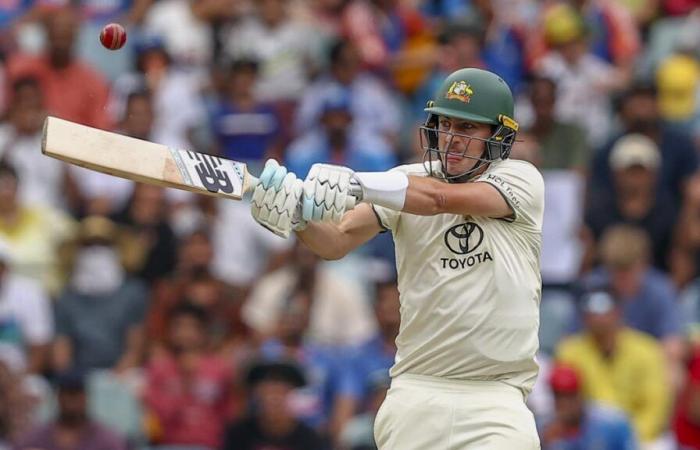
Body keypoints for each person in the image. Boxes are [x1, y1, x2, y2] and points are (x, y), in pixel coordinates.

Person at [250, 67, 544, 448]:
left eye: (468, 129)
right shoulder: (404, 180)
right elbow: (335, 241)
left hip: (496, 401)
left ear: (498, 137)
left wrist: (359, 183)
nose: (452, 139)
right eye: (446, 124)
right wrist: (296, 216)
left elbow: (438, 199)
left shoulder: (520, 179)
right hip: (417, 394)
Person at [539, 363, 637, 450]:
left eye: (569, 395)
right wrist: (544, 444)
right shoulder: (546, 430)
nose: (564, 404)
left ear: (580, 394)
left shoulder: (612, 423)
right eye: (558, 396)